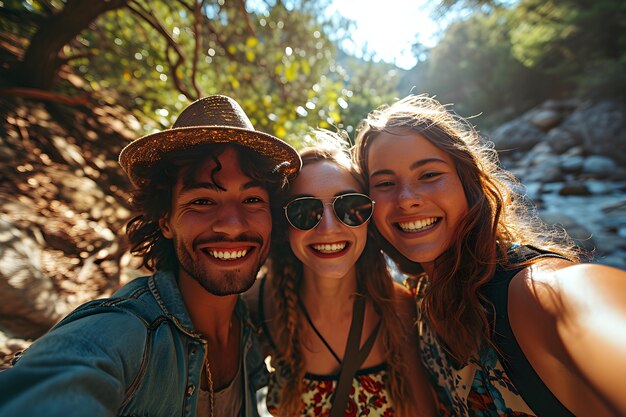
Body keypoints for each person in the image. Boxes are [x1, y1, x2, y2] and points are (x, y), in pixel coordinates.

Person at [0, 95, 301, 417]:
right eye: (202, 201)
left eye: (252, 199)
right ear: (166, 221)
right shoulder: (122, 331)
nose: (231, 225)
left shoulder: (250, 332)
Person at [353, 94, 626, 417]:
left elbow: (588, 307)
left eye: (429, 175)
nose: (407, 199)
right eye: (385, 183)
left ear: (468, 183)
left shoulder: (535, 291)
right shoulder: (417, 300)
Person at [245, 130, 436, 417]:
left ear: (368, 219)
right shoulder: (257, 305)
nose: (329, 228)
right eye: (304, 211)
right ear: (284, 227)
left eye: (350, 206)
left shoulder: (399, 307)